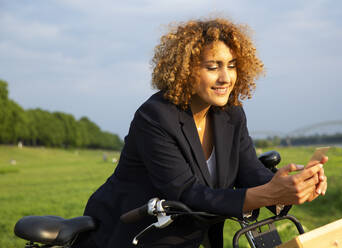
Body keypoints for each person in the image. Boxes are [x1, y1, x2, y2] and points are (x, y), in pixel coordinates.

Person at [75, 18, 328, 248]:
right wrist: (268, 193)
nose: (225, 77)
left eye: (231, 65)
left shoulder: (232, 114)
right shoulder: (154, 117)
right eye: (212, 67)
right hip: (131, 237)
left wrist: (291, 186)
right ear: (186, 70)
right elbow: (186, 194)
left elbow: (251, 172)